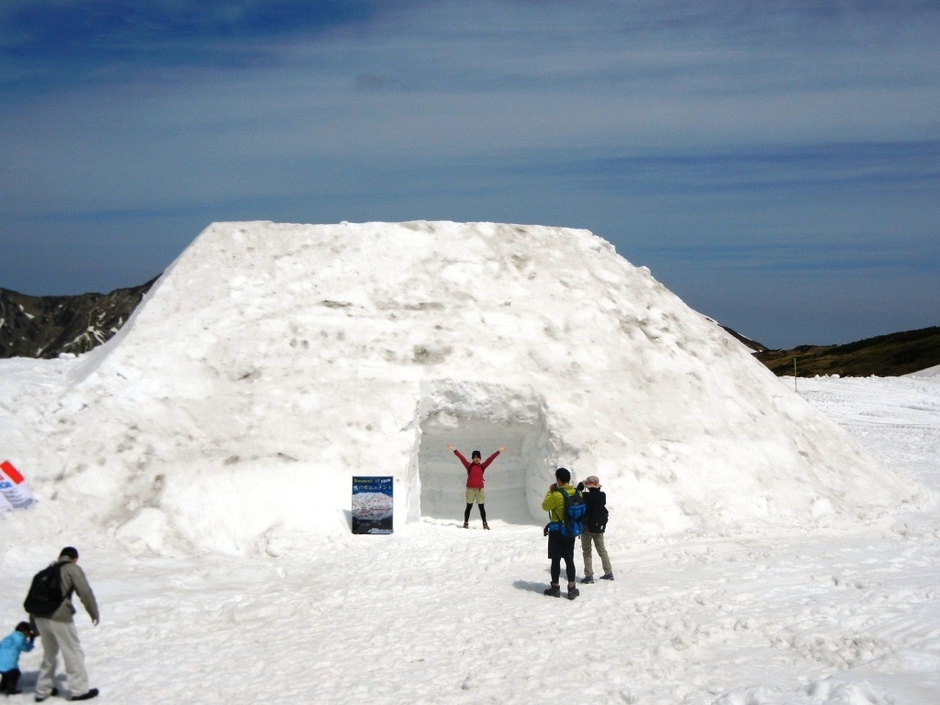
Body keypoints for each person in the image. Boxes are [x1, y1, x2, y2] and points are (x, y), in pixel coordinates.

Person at [28, 547, 99, 702]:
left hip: (40, 617)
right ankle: (79, 691)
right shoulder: (72, 569)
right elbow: (85, 592)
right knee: (73, 652)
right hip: (60, 617)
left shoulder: (47, 571)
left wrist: (33, 624)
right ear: (74, 559)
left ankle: (42, 690)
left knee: (49, 654)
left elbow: (35, 597)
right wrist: (94, 612)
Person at [541, 467, 580, 600]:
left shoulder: (557, 495)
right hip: (570, 530)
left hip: (557, 531)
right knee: (569, 559)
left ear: (558, 480)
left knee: (556, 559)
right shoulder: (577, 493)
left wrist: (550, 491)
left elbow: (545, 506)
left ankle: (555, 587)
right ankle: (572, 588)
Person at [447, 444, 505, 529]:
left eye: (478, 457)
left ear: (480, 458)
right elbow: (462, 458)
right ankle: (466, 523)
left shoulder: (482, 466)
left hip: (479, 490)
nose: (477, 459)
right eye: (475, 457)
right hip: (470, 489)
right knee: (468, 507)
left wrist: (498, 451)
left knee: (481, 507)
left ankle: (485, 524)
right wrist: (454, 450)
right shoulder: (469, 466)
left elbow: (490, 459)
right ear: (472, 458)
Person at [577, 475, 614, 583]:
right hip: (599, 527)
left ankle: (589, 575)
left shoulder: (586, 496)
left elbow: (575, 495)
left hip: (587, 527)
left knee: (587, 551)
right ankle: (608, 572)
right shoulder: (603, 495)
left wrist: (580, 486)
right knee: (602, 550)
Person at [0, 621, 36, 695]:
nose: (29, 635)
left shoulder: (10, 637)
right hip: (8, 664)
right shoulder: (19, 639)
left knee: (6, 674)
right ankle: (11, 689)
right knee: (15, 673)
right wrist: (32, 640)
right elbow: (26, 648)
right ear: (25, 632)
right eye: (29, 633)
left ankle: (2, 687)